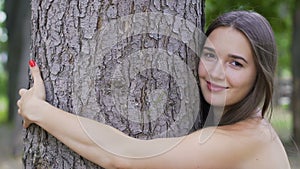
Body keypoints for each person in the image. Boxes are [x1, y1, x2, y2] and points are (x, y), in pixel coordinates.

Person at [17, 10, 291, 169]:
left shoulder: (249, 137)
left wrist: (38, 110)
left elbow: (122, 155)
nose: (215, 73)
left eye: (236, 63)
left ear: (259, 73)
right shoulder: (243, 125)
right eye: (209, 55)